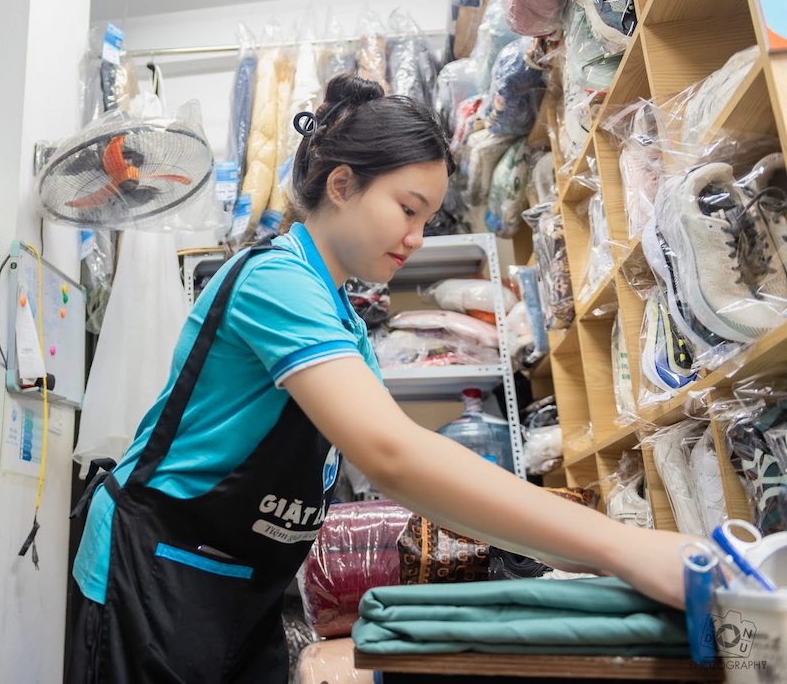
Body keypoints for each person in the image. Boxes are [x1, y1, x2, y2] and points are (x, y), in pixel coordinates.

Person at [68, 73, 689, 683]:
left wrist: (567, 556)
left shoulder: (343, 317)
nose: (417, 238)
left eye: (428, 219)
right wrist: (619, 547)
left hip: (232, 580)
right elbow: (394, 455)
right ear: (342, 185)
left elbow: (420, 486)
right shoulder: (275, 281)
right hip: (155, 573)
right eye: (408, 210)